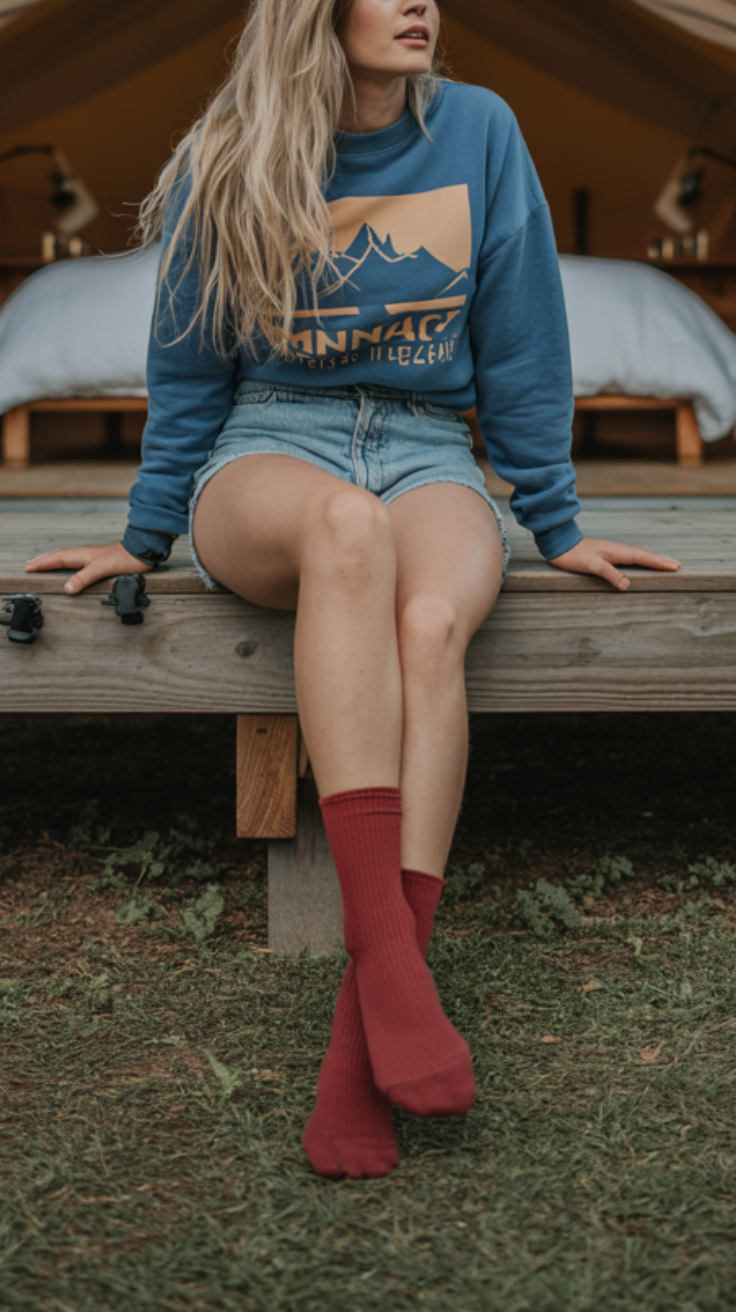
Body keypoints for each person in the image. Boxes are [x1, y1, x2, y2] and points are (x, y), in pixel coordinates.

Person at [26, 0, 680, 1179]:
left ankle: (366, 1020)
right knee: (347, 529)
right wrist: (144, 532)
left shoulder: (480, 129)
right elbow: (186, 362)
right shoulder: (234, 144)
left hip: (428, 447)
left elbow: (524, 340)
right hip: (267, 444)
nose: (419, 1)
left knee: (429, 623)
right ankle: (391, 964)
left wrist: (558, 521)